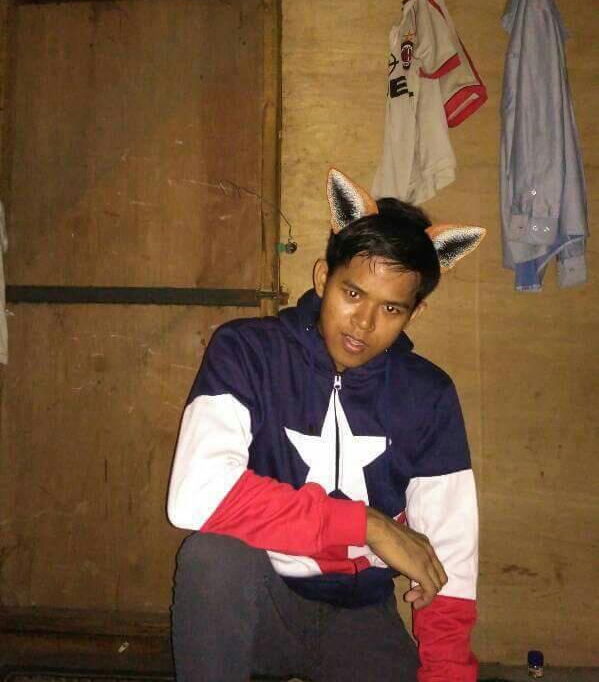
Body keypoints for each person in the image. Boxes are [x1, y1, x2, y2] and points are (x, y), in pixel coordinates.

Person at [167, 168, 485, 682]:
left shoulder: (428, 396)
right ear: (322, 279)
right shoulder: (248, 351)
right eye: (352, 294)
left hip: (360, 616)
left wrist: (446, 672)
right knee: (212, 557)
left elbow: (449, 559)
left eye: (390, 308)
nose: (363, 324)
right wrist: (365, 524)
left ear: (416, 313)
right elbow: (193, 495)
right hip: (259, 603)